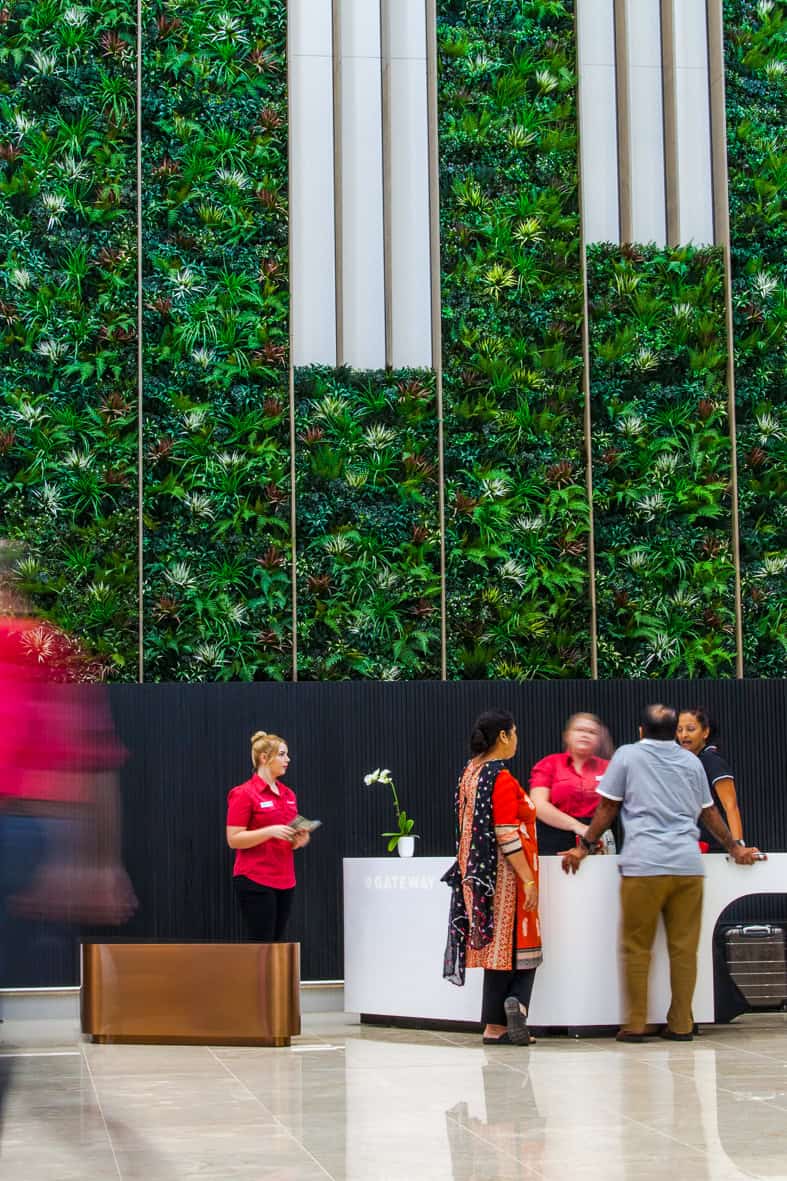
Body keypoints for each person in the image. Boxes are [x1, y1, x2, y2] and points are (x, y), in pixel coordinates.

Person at [561, 704, 761, 1042]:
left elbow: (608, 807)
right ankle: (681, 1023)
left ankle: (636, 1023)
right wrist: (734, 847)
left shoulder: (626, 756)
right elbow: (709, 813)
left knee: (637, 948)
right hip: (687, 867)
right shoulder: (691, 762)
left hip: (643, 866)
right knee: (684, 950)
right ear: (673, 732)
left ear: (641, 731)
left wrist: (585, 844)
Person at [442, 709, 542, 1046]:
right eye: (514, 733)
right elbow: (505, 832)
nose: (516, 740)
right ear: (503, 736)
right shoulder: (499, 776)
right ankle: (518, 1006)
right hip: (504, 876)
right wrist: (527, 879)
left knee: (498, 951)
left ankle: (494, 1026)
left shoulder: (470, 772)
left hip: (476, 873)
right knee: (521, 948)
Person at [226, 730, 310, 942]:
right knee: (261, 944)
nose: (287, 759)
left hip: (285, 879)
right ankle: (255, 977)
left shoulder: (289, 794)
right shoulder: (244, 793)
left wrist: (299, 840)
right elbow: (233, 838)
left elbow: (289, 839)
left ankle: (272, 977)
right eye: (282, 754)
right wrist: (269, 831)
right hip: (255, 878)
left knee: (276, 944)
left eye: (287, 754)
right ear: (264, 758)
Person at [529, 713, 612, 855]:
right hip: (554, 841)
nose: (585, 735)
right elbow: (538, 804)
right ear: (567, 736)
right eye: (579, 730)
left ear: (599, 739)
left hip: (599, 842)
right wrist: (578, 827)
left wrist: (592, 834)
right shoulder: (549, 764)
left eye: (591, 732)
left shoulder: (609, 767)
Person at [677, 707, 744, 851]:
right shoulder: (686, 762)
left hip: (714, 850)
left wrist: (738, 845)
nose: (684, 735)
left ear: (705, 732)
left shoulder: (711, 760)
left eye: (690, 729)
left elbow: (730, 805)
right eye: (679, 730)